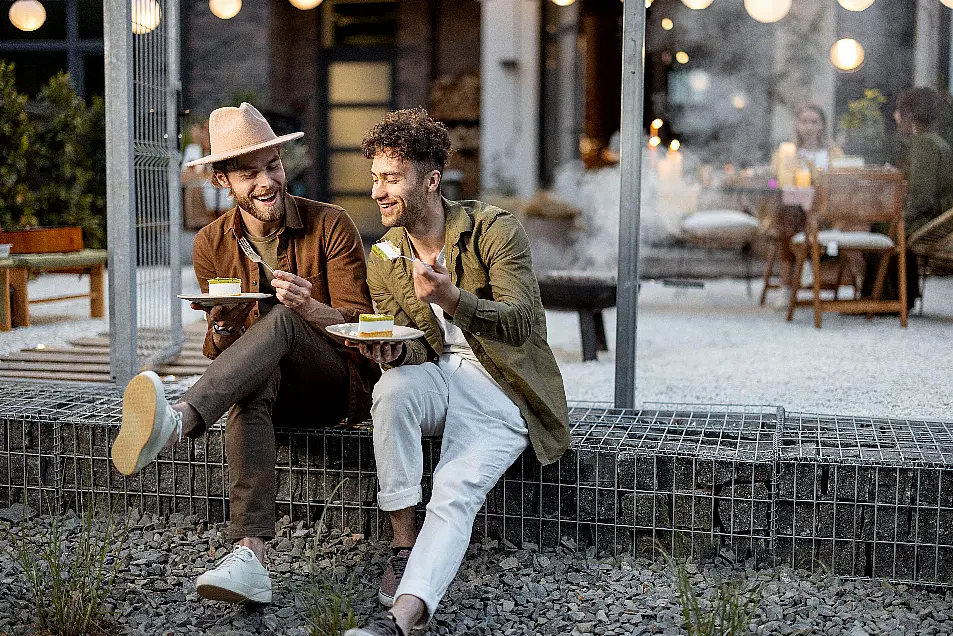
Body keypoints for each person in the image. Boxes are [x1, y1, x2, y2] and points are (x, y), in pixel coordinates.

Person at [110, 102, 380, 604]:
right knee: (251, 387)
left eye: (273, 166)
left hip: (338, 386)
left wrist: (309, 308)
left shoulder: (331, 226)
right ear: (223, 182)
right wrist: (221, 323)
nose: (266, 182)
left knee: (281, 319)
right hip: (270, 391)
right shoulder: (212, 242)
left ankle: (181, 419)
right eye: (249, 173)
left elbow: (366, 333)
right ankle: (250, 556)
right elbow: (226, 355)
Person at [343, 108, 571, 636]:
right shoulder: (386, 254)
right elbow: (413, 343)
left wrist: (451, 297)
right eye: (375, 178)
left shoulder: (493, 228)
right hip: (438, 377)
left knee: (453, 489)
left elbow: (520, 323)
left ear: (429, 180)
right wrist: (392, 354)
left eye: (391, 179)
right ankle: (403, 543)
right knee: (394, 389)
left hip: (500, 385)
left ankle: (403, 617)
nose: (378, 191)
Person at [861, 87, 953, 307]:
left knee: (877, 226)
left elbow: (922, 199)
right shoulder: (932, 142)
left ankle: (883, 299)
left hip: (929, 222)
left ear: (910, 114)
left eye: (898, 111)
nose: (895, 116)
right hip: (936, 218)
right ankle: (899, 294)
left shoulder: (926, 144)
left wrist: (896, 217)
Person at [772, 104, 843, 290]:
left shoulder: (833, 155)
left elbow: (840, 184)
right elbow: (776, 183)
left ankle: (803, 265)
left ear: (822, 126)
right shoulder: (787, 153)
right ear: (796, 125)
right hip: (795, 210)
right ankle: (788, 282)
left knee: (792, 217)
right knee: (789, 214)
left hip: (827, 212)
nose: (809, 127)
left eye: (814, 122)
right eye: (804, 121)